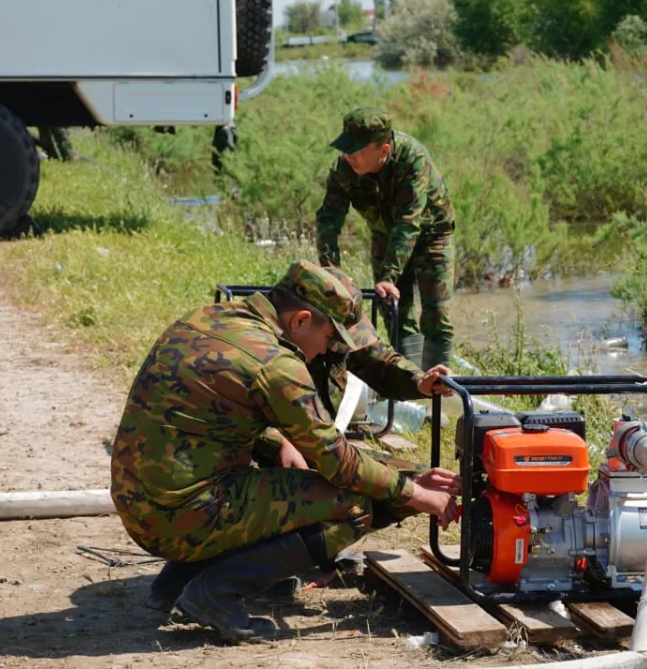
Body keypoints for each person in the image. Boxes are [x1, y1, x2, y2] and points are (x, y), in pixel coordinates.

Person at [110, 261, 460, 644]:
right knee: (352, 507)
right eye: (328, 338)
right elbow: (340, 464)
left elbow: (207, 424)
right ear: (300, 321)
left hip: (143, 503)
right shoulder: (276, 363)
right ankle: (215, 594)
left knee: (293, 473)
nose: (327, 349)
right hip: (180, 516)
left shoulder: (209, 317)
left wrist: (279, 444)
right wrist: (417, 492)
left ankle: (176, 581)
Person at [315, 106, 456, 371]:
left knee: (436, 314)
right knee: (393, 310)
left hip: (432, 236)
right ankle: (412, 386)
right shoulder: (344, 169)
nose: (349, 157)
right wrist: (330, 270)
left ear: (384, 150)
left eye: (356, 151)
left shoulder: (413, 160)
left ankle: (439, 393)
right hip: (385, 235)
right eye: (346, 149)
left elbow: (409, 221)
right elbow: (329, 217)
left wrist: (388, 276)